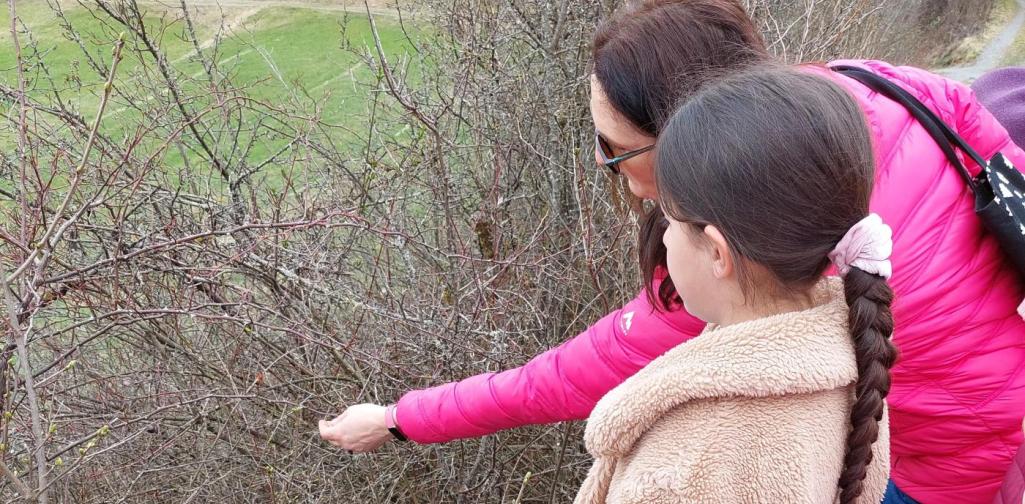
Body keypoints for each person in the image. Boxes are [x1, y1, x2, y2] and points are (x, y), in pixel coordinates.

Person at [319, 1, 1025, 501]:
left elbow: (559, 379)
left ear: (683, 135)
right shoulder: (863, 83)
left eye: (613, 151)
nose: (614, 172)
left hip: (934, 465)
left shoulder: (742, 265)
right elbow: (988, 147)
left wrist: (398, 418)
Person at [575, 65, 894, 504]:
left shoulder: (682, 462)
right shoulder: (854, 363)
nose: (663, 236)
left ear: (717, 253)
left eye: (668, 218)